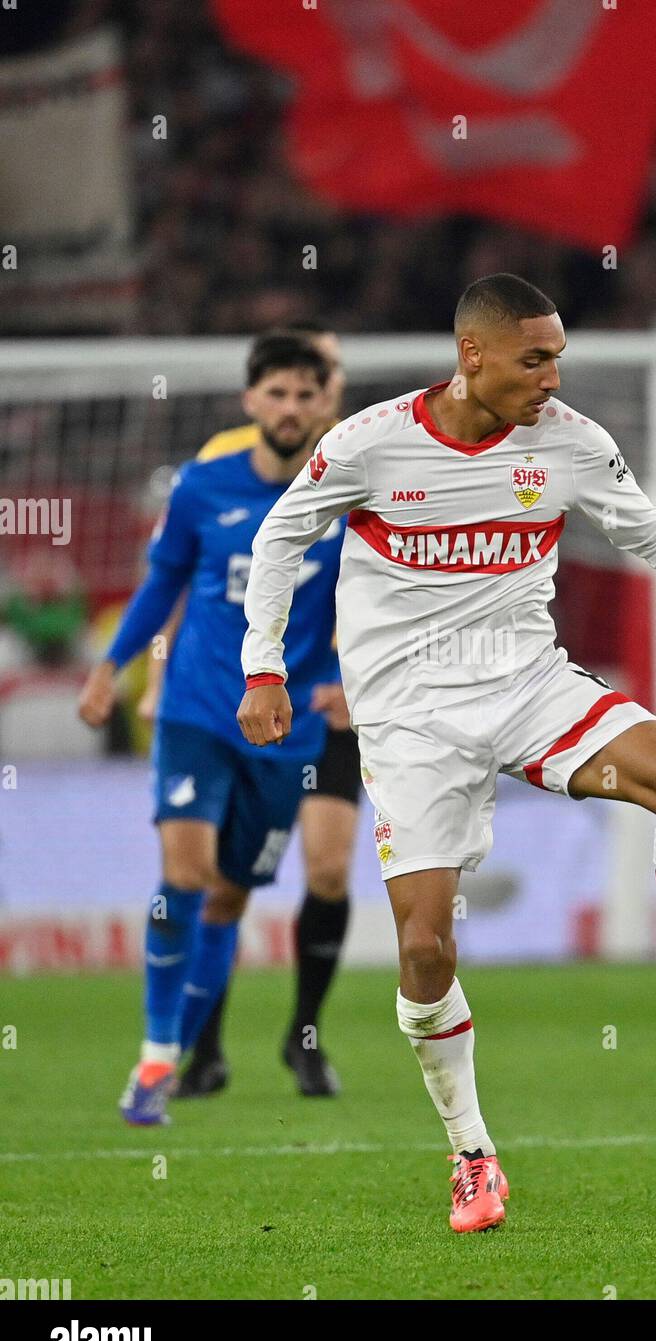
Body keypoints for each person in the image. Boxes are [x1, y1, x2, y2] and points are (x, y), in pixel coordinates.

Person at [236, 274, 656, 1233]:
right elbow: (279, 539)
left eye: (558, 356)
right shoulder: (370, 443)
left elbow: (648, 532)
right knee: (425, 948)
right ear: (472, 355)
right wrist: (262, 666)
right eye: (534, 358)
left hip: (526, 686)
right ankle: (472, 1155)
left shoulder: (571, 443)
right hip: (410, 720)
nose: (552, 377)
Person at [78, 331, 352, 1125]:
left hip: (286, 731)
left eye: (305, 394)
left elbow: (372, 598)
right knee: (186, 875)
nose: (291, 407)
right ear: (251, 402)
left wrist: (350, 678)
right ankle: (157, 1057)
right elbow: (163, 579)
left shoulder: (346, 495)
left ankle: (187, 1055)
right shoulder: (204, 486)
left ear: (322, 400)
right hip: (200, 707)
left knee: (230, 897)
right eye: (277, 393)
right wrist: (113, 665)